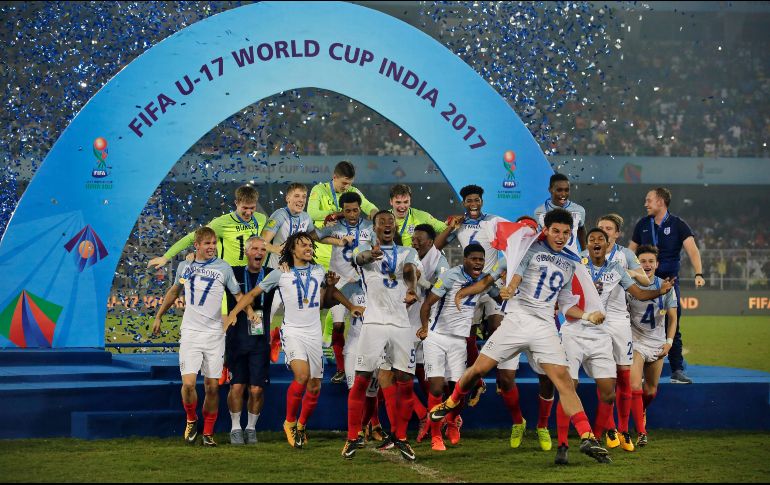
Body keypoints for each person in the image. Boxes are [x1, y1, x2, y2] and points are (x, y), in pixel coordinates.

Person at [429, 208, 612, 465]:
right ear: (545, 230)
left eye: (566, 232)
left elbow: (567, 303)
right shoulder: (529, 249)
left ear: (571, 234)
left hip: (544, 326)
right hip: (516, 320)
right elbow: (517, 274)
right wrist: (509, 289)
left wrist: (586, 316)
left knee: (564, 382)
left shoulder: (572, 262)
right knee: (477, 371)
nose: (560, 236)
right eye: (556, 231)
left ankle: (587, 436)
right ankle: (451, 402)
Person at [225, 232, 364, 449]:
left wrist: (344, 301)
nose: (308, 248)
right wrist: (234, 312)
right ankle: (289, 422)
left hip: (313, 333)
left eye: (310, 245)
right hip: (292, 332)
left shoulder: (318, 271)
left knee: (315, 386)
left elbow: (327, 300)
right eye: (303, 245)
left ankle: (301, 425)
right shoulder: (281, 274)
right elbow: (252, 294)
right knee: (302, 375)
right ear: (292, 250)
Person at [566, 228, 673, 456]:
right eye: (593, 237)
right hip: (588, 324)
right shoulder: (580, 264)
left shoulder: (620, 262)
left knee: (622, 377)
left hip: (615, 324)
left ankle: (622, 430)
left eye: (603, 236)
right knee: (587, 381)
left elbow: (640, 290)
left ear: (611, 240)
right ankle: (593, 434)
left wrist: (660, 291)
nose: (598, 240)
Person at [152, 227, 243, 447]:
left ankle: (208, 432)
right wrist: (158, 316)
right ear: (197, 246)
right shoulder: (186, 267)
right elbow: (175, 292)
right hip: (191, 333)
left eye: (213, 243)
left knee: (212, 386)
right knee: (189, 385)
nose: (212, 247)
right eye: (207, 244)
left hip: (214, 334)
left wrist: (238, 313)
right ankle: (191, 418)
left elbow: (238, 295)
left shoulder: (224, 268)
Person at [341, 211, 420, 461]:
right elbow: (359, 258)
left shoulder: (408, 251)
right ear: (374, 227)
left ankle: (402, 437)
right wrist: (370, 254)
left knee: (406, 380)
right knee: (362, 378)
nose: (387, 224)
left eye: (390, 222)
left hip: (400, 324)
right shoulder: (364, 248)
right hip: (373, 322)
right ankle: (353, 437)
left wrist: (412, 288)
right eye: (381, 222)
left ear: (395, 226)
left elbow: (409, 270)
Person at [434, 184, 507, 404]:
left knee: (498, 329)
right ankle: (479, 380)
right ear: (464, 203)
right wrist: (450, 228)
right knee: (467, 336)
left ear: (482, 201)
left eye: (477, 200)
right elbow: (436, 246)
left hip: (491, 283)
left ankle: (503, 378)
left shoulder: (494, 221)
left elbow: (513, 240)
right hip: (470, 285)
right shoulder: (460, 225)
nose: (473, 204)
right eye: (469, 201)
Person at [419, 243, 495, 451]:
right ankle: (436, 436)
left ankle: (452, 422)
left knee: (458, 391)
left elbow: (499, 295)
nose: (478, 262)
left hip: (459, 341)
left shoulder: (484, 279)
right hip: (437, 337)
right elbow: (427, 304)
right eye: (474, 259)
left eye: (481, 259)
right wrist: (425, 328)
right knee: (436, 387)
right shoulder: (451, 276)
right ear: (465, 259)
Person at [629, 187, 705, 384]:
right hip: (644, 285)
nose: (645, 204)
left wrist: (698, 273)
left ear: (660, 201)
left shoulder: (678, 224)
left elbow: (693, 250)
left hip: (669, 284)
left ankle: (677, 370)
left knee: (673, 324)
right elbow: (630, 253)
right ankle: (634, 367)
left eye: (649, 200)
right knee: (635, 324)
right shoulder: (642, 224)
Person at [593, 213, 649, 448]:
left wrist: (630, 273)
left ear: (617, 233)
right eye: (600, 227)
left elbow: (645, 281)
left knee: (624, 375)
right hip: (596, 321)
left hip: (619, 320)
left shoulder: (625, 254)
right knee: (604, 378)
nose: (604, 231)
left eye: (608, 228)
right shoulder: (587, 256)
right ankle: (610, 429)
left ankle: (625, 430)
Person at [314, 191, 375, 385]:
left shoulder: (369, 227)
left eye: (355, 210)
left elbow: (378, 246)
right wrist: (332, 234)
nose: (351, 214)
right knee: (338, 325)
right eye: (347, 211)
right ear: (342, 211)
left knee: (363, 325)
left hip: (360, 282)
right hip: (337, 281)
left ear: (360, 209)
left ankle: (361, 364)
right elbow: (313, 236)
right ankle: (341, 368)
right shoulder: (335, 226)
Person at [223, 236, 276, 445]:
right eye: (254, 248)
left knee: (257, 389)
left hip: (260, 342)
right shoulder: (233, 273)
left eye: (263, 249)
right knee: (236, 387)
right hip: (236, 340)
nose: (259, 252)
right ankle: (236, 426)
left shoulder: (272, 275)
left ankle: (251, 427)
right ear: (246, 252)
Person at [627, 245, 678, 447]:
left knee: (650, 391)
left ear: (657, 264)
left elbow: (673, 318)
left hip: (657, 341)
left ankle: (641, 410)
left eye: (650, 261)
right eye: (642, 262)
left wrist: (669, 342)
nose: (646, 265)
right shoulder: (629, 285)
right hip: (635, 340)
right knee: (634, 385)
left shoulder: (665, 287)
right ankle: (641, 432)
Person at [148, 185, 266, 268]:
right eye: (245, 208)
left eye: (252, 208)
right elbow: (192, 237)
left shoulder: (261, 219)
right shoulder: (221, 223)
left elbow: (267, 243)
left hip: (253, 274)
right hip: (229, 274)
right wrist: (166, 257)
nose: (249, 212)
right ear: (236, 203)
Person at [409, 223, 450, 444]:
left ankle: (448, 418)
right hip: (408, 320)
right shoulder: (410, 255)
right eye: (413, 238)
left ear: (430, 241)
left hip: (431, 323)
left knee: (433, 378)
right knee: (398, 373)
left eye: (419, 238)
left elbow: (440, 289)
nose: (414, 241)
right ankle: (424, 415)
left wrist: (419, 279)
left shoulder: (440, 261)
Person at [308, 161, 379, 270]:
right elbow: (311, 213)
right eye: (344, 183)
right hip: (321, 254)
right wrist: (337, 214)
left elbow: (369, 206)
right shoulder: (319, 190)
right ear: (334, 177)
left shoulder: (353, 191)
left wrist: (375, 215)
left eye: (350, 183)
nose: (347, 187)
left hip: (344, 257)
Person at [534, 173, 587, 252]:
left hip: (571, 259)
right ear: (550, 190)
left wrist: (584, 251)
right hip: (548, 258)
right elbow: (538, 236)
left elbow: (581, 229)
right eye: (559, 190)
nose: (563, 194)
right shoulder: (539, 212)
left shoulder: (579, 210)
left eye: (566, 190)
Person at [388, 184, 447, 248]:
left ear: (410, 201)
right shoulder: (382, 219)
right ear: (391, 201)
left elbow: (445, 229)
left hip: (414, 257)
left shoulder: (421, 216)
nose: (402, 206)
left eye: (405, 202)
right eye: (398, 202)